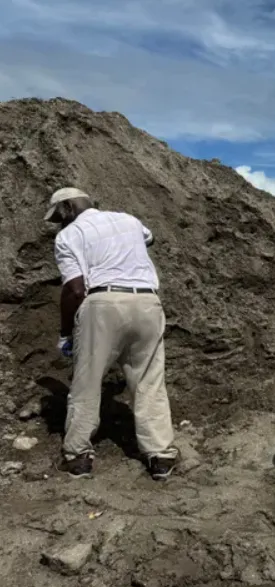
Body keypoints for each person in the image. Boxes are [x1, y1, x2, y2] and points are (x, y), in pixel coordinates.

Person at [45, 187, 178, 480]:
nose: (58, 224)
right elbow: (150, 238)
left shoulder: (68, 236)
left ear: (67, 209)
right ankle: (161, 457)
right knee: (149, 381)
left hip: (103, 303)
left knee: (87, 382)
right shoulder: (128, 220)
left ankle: (78, 457)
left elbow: (75, 289)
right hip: (147, 302)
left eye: (58, 217)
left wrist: (66, 332)